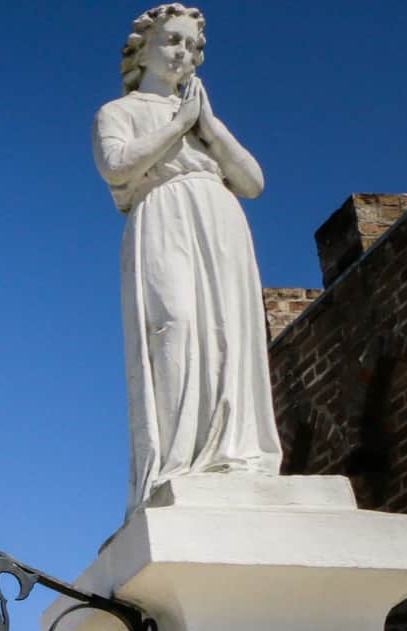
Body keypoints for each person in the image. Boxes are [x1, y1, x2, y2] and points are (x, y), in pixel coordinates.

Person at [93, 5, 281, 509]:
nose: (183, 53)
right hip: (162, 210)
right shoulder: (120, 112)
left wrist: (210, 128)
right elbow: (117, 167)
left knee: (227, 332)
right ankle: (176, 460)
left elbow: (253, 183)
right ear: (143, 49)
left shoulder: (204, 120)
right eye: (172, 41)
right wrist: (179, 123)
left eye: (191, 45)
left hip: (217, 214)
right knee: (173, 324)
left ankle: (231, 450)